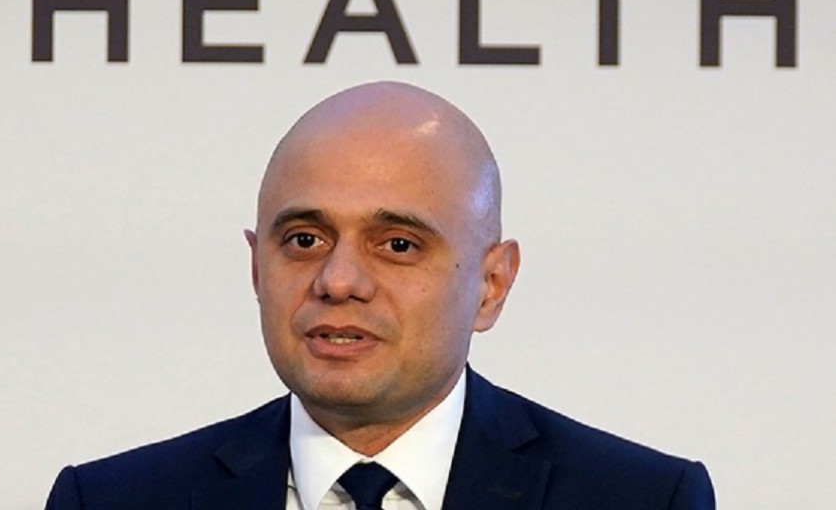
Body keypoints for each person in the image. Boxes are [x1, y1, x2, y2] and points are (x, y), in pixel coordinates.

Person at [45, 81, 715, 509]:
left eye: (397, 245)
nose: (338, 281)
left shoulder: (641, 499)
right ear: (256, 268)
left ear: (491, 285)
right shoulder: (111, 501)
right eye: (304, 239)